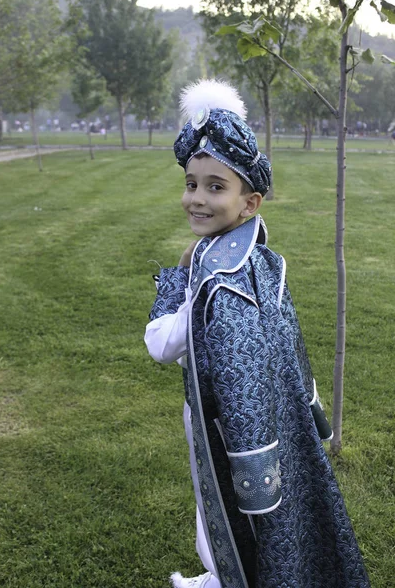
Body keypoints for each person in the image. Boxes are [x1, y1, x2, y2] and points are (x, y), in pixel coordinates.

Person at [144, 79, 370, 588]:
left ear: (251, 203)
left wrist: (176, 277)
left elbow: (160, 344)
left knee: (221, 512)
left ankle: (226, 579)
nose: (196, 198)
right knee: (267, 526)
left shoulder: (213, 278)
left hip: (226, 428)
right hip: (276, 421)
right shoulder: (263, 260)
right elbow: (290, 345)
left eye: (215, 186)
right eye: (191, 182)